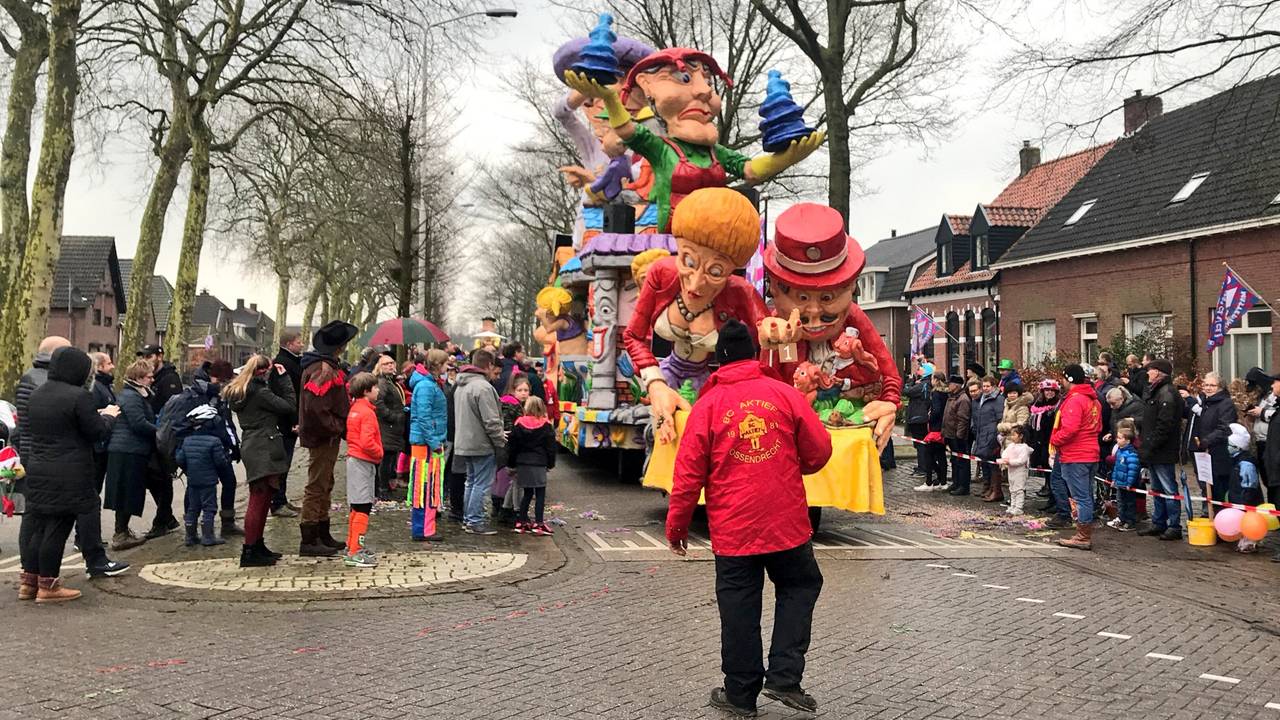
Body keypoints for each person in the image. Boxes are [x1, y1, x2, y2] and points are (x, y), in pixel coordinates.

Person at [666, 319, 832, 716]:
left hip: (734, 529)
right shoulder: (784, 395)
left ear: (717, 361)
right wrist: (792, 466)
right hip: (786, 523)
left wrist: (676, 528)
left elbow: (687, 475)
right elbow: (820, 449)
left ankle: (740, 695)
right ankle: (785, 678)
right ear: (755, 355)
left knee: (739, 607)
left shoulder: (707, 406)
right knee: (800, 585)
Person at [16, 347, 120, 603]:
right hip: (70, 471)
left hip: (39, 468)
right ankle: (49, 586)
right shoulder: (79, 396)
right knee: (57, 528)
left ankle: (29, 583)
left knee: (39, 527)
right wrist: (108, 417)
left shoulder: (37, 394)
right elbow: (95, 432)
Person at [224, 354, 297, 566]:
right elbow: (288, 406)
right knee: (259, 498)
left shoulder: (243, 391)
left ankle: (257, 545)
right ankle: (250, 550)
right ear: (264, 371)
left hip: (253, 442)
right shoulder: (260, 392)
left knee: (264, 497)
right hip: (263, 445)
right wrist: (284, 381)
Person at [297, 321, 358, 555]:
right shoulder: (323, 370)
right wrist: (334, 428)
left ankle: (322, 532)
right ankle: (309, 539)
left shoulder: (324, 367)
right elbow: (316, 407)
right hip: (322, 436)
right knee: (316, 485)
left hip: (326, 436)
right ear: (340, 347)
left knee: (325, 484)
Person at [104, 359, 158, 550]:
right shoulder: (132, 397)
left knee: (126, 492)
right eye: (149, 377)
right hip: (128, 451)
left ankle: (123, 530)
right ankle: (120, 534)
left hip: (127, 450)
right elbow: (138, 423)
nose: (152, 380)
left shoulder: (132, 395)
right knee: (126, 493)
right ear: (139, 378)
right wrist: (159, 431)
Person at [454, 349, 506, 536]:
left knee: (471, 482)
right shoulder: (483, 388)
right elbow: (491, 421)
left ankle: (468, 519)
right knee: (481, 484)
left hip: (465, 442)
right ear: (489, 365)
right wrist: (500, 441)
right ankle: (476, 521)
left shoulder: (461, 385)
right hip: (481, 444)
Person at [1051, 364, 1103, 551]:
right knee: (1086, 494)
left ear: (1069, 379)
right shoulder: (1093, 400)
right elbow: (1097, 427)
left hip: (1076, 454)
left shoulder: (1075, 400)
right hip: (1090, 453)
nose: (1061, 381)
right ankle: (1083, 532)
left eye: (1063, 378)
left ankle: (1083, 535)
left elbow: (1070, 429)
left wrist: (1055, 440)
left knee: (1081, 497)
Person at [1136, 359, 1185, 541]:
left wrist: (1150, 444)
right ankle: (1159, 522)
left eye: (1150, 370)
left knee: (1168, 488)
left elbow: (1164, 425)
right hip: (1154, 449)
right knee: (1156, 488)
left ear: (1158, 373)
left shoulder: (1167, 394)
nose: (1147, 373)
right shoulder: (1156, 391)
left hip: (1163, 450)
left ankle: (1174, 525)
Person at [137, 344, 182, 539]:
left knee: (162, 479)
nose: (147, 358)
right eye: (144, 355)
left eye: (150, 355)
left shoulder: (170, 379)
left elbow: (173, 408)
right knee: (153, 478)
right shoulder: (152, 378)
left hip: (165, 436)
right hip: (154, 434)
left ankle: (162, 521)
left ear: (160, 356)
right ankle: (167, 517)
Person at [175, 406, 235, 547]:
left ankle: (190, 537)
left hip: (193, 481)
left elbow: (180, 459)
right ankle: (208, 537)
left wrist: (189, 469)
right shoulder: (214, 441)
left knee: (193, 508)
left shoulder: (187, 441)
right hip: (208, 481)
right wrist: (227, 458)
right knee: (209, 507)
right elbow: (220, 462)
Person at [408, 349, 449, 541]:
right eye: (445, 363)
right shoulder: (425, 386)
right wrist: (434, 442)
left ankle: (425, 528)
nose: (448, 367)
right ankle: (423, 529)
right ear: (437, 365)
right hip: (426, 444)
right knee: (424, 486)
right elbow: (423, 417)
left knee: (427, 486)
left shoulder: (428, 383)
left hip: (429, 442)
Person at [343, 373, 382, 568]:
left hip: (354, 459)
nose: (378, 390)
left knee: (356, 506)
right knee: (362, 506)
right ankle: (355, 552)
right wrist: (379, 453)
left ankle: (351, 546)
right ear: (366, 391)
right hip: (363, 461)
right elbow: (367, 442)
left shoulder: (355, 409)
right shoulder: (367, 412)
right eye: (375, 388)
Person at [507, 396, 557, 536]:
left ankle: (522, 521)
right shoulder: (546, 425)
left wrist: (511, 464)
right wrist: (550, 464)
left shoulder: (518, 424)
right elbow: (551, 448)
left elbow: (513, 446)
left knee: (527, 493)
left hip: (522, 463)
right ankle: (539, 523)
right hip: (539, 462)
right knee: (540, 493)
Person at [271, 330, 304, 518]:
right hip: (285, 423)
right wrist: (294, 421)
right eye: (299, 342)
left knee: (287, 462)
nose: (302, 344)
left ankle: (281, 498)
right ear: (289, 343)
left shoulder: (291, 362)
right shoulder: (283, 364)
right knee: (282, 462)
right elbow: (287, 395)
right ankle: (277, 502)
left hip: (290, 420)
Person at [1188, 372, 1235, 505]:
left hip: (1219, 453)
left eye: (1212, 385)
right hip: (1205, 452)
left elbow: (1225, 427)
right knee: (1207, 488)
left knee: (1220, 490)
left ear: (1220, 387)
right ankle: (1210, 513)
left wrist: (1208, 440)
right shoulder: (1206, 403)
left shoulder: (1226, 404)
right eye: (1206, 385)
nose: (1208, 388)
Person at [494, 375, 532, 523]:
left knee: (507, 480)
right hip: (509, 448)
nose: (523, 393)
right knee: (513, 481)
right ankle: (511, 510)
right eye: (520, 390)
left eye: (526, 390)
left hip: (504, 447)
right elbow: (513, 429)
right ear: (513, 390)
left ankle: (504, 509)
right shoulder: (513, 405)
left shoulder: (508, 403)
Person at [371, 353, 406, 502]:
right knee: (385, 459)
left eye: (392, 363)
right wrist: (393, 416)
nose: (390, 365)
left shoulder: (391, 381)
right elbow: (379, 404)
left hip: (393, 427)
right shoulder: (382, 383)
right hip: (387, 426)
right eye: (386, 364)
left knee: (390, 458)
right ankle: (382, 489)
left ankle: (384, 487)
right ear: (379, 366)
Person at [1245, 367, 1277, 501]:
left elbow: (1276, 414)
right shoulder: (1263, 396)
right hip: (1260, 441)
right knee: (1266, 479)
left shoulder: (1275, 396)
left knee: (1273, 480)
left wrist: (1261, 413)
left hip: (1271, 442)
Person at [1029, 380, 1062, 511]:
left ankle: (1056, 501)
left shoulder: (1057, 405)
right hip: (1039, 442)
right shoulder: (1037, 404)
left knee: (1053, 473)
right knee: (1046, 472)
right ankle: (1050, 498)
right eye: (1046, 390)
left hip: (1051, 443)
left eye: (1052, 391)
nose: (1049, 393)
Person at [971, 377, 1003, 503]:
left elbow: (999, 418)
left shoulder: (998, 399)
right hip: (982, 434)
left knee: (993, 464)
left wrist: (996, 434)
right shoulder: (982, 399)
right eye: (983, 386)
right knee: (985, 462)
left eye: (987, 386)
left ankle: (996, 490)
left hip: (992, 434)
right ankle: (988, 487)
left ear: (994, 386)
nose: (985, 389)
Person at [942, 375, 972, 496]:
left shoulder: (963, 399)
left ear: (956, 385)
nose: (948, 386)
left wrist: (959, 436)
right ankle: (956, 482)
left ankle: (963, 486)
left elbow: (963, 419)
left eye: (950, 384)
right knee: (954, 460)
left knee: (962, 462)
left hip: (958, 436)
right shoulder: (952, 397)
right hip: (950, 434)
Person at [1107, 428, 1141, 532]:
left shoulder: (1131, 454)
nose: (1117, 439)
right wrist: (1114, 480)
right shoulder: (1119, 452)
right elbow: (1116, 468)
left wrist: (1129, 483)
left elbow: (1133, 470)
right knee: (1120, 502)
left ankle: (1130, 521)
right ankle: (1121, 518)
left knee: (1129, 503)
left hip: (1128, 485)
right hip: (1120, 483)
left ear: (1127, 440)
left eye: (1120, 438)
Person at [903, 365, 933, 485]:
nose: (918, 371)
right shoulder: (925, 384)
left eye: (920, 369)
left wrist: (909, 382)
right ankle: (923, 465)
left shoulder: (922, 385)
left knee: (921, 444)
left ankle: (923, 467)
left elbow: (907, 391)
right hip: (920, 417)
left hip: (918, 418)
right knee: (920, 443)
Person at [919, 373, 949, 491]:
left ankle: (929, 482)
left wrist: (930, 418)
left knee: (928, 455)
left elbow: (936, 410)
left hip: (935, 429)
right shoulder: (946, 393)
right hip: (943, 428)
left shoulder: (936, 393)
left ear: (936, 380)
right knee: (941, 456)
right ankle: (943, 481)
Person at [997, 425, 1032, 515]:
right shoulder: (1011, 446)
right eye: (1011, 435)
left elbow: (1021, 461)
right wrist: (1004, 459)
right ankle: (1013, 505)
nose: (1012, 437)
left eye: (1014, 435)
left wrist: (1010, 462)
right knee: (1012, 488)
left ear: (1021, 436)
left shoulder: (1024, 448)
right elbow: (1005, 453)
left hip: (1020, 471)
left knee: (1019, 489)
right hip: (1011, 470)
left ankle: (1019, 507)